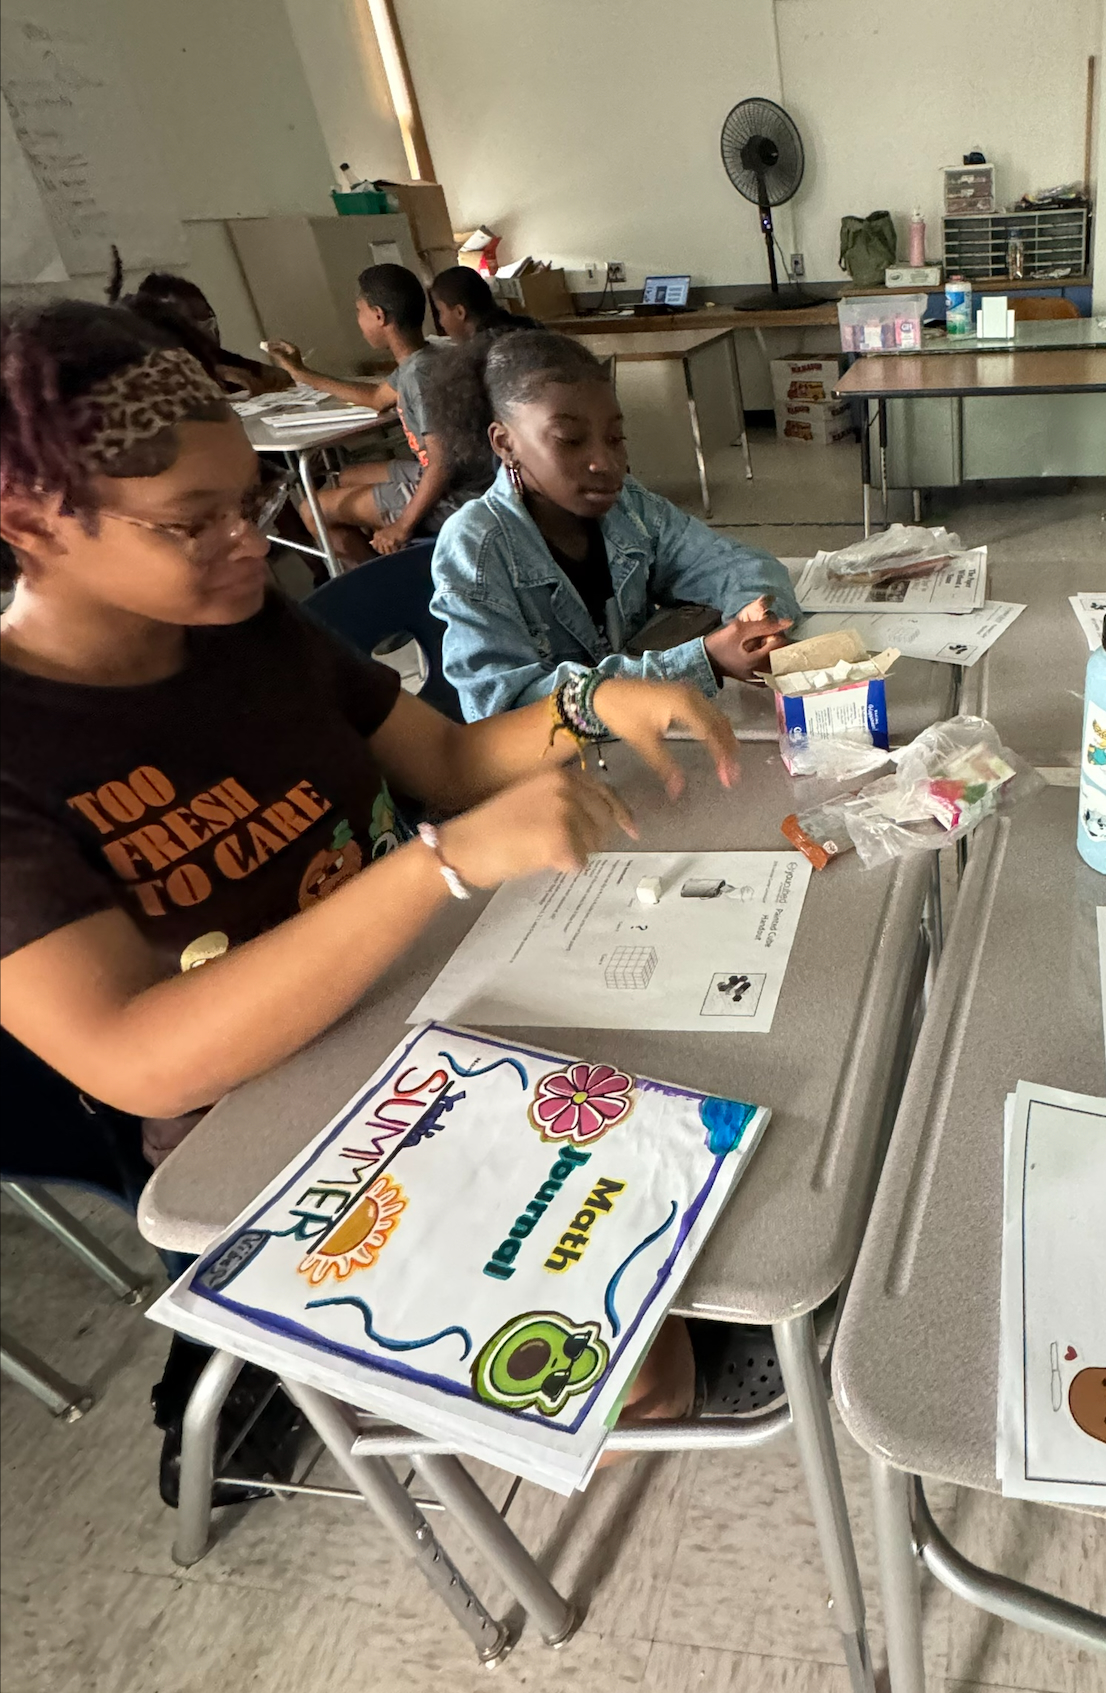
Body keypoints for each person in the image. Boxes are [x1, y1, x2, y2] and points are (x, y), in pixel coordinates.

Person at [0, 301, 740, 1467]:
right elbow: (134, 1053)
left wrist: (591, 702)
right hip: (266, 1114)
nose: (250, 543)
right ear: (31, 519)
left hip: (427, 1001)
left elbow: (443, 759)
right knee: (649, 1364)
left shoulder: (244, 630)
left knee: (732, 1061)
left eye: (250, 503)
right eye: (194, 522)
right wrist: (438, 864)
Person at [425, 330, 796, 720]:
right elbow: (506, 712)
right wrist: (701, 662)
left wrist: (755, 627)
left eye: (615, 438)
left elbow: (741, 566)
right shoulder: (476, 546)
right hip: (555, 771)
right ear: (504, 443)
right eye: (570, 440)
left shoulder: (629, 508)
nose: (604, 463)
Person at [264, 263, 478, 560]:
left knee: (312, 510)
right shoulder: (424, 358)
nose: (359, 320)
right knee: (345, 478)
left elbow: (442, 463)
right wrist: (302, 373)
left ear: (379, 316)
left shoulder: (420, 376)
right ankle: (383, 557)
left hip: (458, 495)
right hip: (455, 477)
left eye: (359, 311)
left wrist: (402, 526)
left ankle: (378, 575)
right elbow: (377, 397)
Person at [104, 253, 288, 395]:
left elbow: (278, 377)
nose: (206, 329)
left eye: (208, 317)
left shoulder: (218, 357)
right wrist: (207, 377)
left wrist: (283, 373)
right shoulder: (141, 371)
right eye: (192, 321)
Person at [429, 265, 521, 343]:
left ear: (460, 312)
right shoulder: (523, 326)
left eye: (441, 312)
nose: (441, 322)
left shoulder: (485, 356)